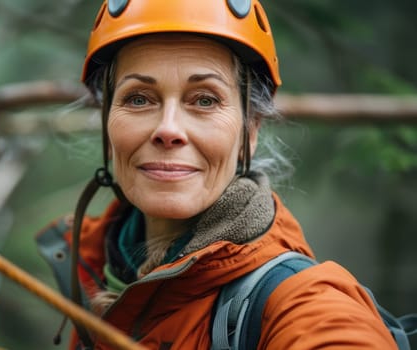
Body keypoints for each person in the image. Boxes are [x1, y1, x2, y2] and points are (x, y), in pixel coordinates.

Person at [36, 0, 398, 349]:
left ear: (250, 130)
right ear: (106, 123)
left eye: (205, 99)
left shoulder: (301, 303)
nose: (168, 128)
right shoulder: (97, 265)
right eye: (138, 98)